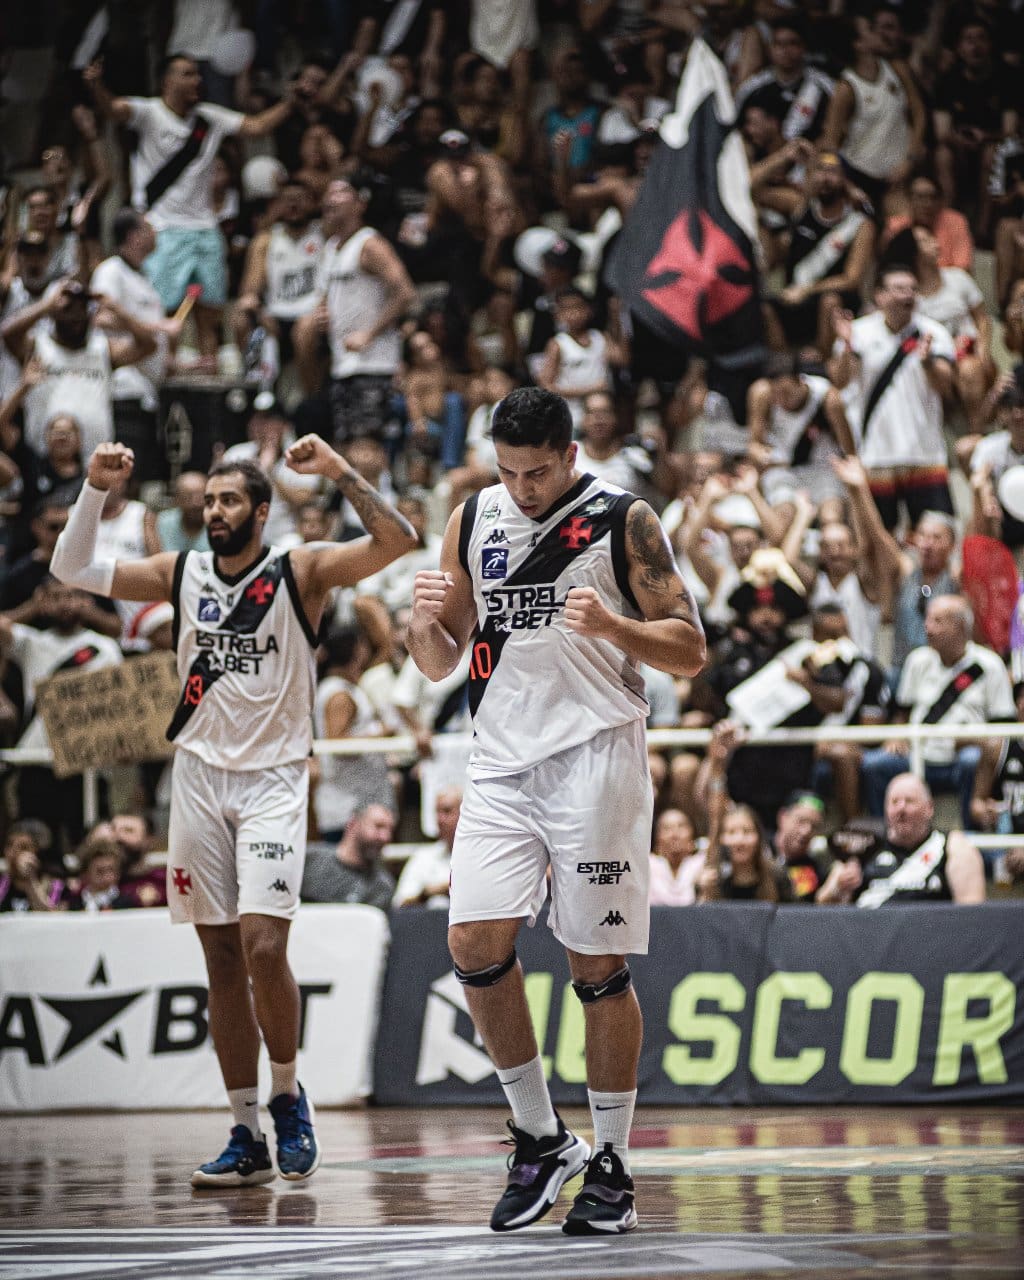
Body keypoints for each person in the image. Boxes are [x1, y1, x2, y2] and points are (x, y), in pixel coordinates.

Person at [50, 435, 416, 1188]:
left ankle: (287, 1093)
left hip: (276, 781)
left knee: (262, 948)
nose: (211, 510)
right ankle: (244, 1128)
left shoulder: (299, 569)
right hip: (199, 780)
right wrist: (94, 490)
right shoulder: (179, 571)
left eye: (226, 500)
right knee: (218, 960)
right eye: (207, 500)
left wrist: (340, 471)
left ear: (260, 509)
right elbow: (71, 568)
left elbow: (397, 540)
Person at [407, 386, 705, 1235]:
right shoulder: (474, 515)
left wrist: (613, 625)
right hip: (500, 760)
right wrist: (421, 625)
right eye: (509, 472)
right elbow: (439, 659)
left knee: (595, 966)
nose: (523, 489)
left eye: (537, 473)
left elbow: (689, 648)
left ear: (571, 456)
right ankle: (539, 1138)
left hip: (595, 758)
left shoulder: (625, 518)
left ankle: (610, 1160)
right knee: (471, 940)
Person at [84, 53, 297, 367]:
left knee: (209, 311)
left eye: (198, 74)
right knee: (165, 309)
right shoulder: (150, 113)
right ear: (168, 81)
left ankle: (209, 370)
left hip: (205, 227)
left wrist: (291, 102)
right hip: (163, 228)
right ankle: (166, 370)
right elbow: (114, 109)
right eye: (187, 74)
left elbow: (257, 126)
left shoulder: (209, 118)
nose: (197, 80)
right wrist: (95, 85)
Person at [860, 594, 1015, 824]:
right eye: (928, 620)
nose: (928, 627)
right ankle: (883, 836)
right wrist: (896, 734)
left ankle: (971, 835)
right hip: (917, 753)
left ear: (961, 627)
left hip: (960, 757)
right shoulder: (917, 660)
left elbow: (1003, 726)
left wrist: (977, 741)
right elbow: (902, 714)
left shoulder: (989, 665)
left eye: (938, 621)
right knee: (875, 765)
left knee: (972, 760)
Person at [818, 773, 986, 906]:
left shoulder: (952, 845)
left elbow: (971, 915)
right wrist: (839, 888)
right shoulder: (862, 844)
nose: (901, 809)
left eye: (909, 801)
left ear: (929, 808)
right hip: (870, 939)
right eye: (894, 802)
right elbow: (823, 905)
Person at [300, 803, 397, 908]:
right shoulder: (308, 860)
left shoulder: (382, 887)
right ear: (353, 824)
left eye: (390, 830)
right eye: (378, 826)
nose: (385, 837)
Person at [393, 788, 461, 908]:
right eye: (437, 812)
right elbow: (400, 905)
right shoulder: (423, 857)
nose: (439, 819)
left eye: (447, 811)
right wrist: (427, 894)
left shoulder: (480, 858)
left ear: (465, 814)